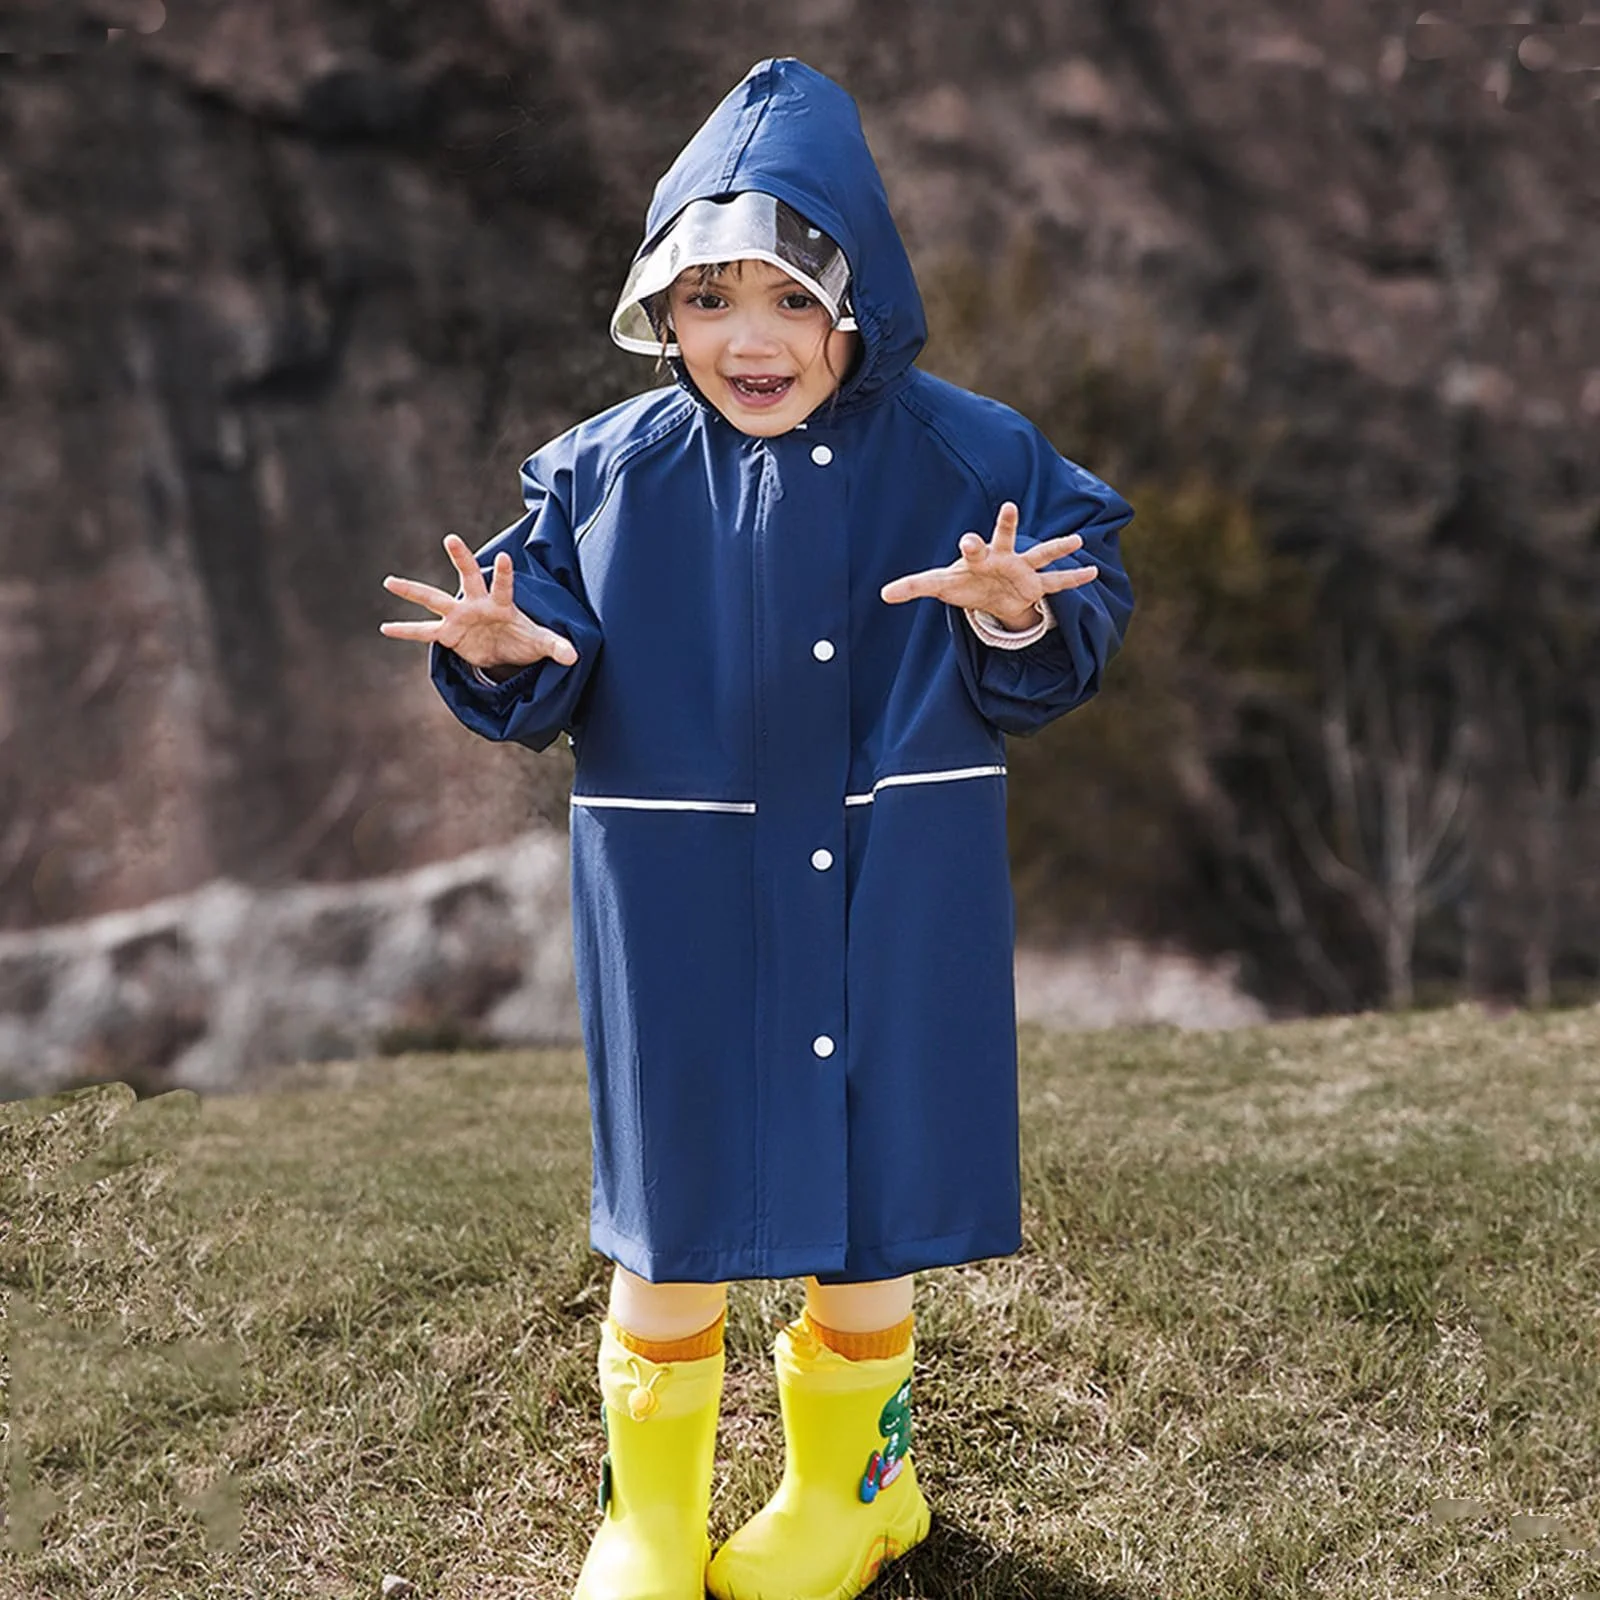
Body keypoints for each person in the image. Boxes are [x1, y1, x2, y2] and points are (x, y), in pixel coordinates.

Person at [380, 56, 1134, 1600]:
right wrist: (506, 651)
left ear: (858, 302)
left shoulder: (970, 456)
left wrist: (1009, 617)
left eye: (790, 295)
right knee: (674, 1208)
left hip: (886, 889)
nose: (749, 336)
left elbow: (1072, 609)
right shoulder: (604, 472)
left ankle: (859, 1494)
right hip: (686, 903)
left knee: (867, 1203)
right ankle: (648, 1518)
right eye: (710, 297)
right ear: (664, 311)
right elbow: (549, 635)